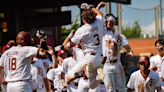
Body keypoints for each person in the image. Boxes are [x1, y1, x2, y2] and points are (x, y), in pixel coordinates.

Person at [65, 1, 105, 90]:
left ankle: (82, 73)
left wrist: (69, 43)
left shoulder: (82, 30)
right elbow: (100, 13)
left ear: (83, 19)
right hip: (99, 58)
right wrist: (95, 7)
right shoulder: (98, 22)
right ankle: (99, 76)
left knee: (68, 77)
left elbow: (69, 46)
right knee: (92, 86)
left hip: (89, 58)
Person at [99, 12, 133, 91]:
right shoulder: (102, 32)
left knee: (122, 87)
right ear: (104, 23)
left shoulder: (119, 35)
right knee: (110, 89)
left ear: (114, 23)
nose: (109, 23)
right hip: (106, 63)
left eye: (111, 21)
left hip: (117, 63)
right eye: (107, 21)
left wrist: (130, 53)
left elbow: (128, 47)